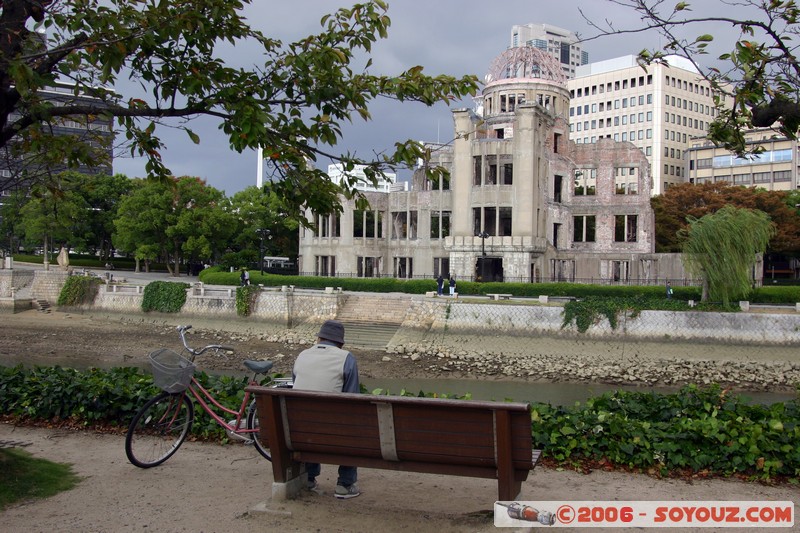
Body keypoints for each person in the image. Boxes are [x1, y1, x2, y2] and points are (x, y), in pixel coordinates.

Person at [292, 320, 361, 499]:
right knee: (351, 427)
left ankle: (308, 478)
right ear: (340, 342)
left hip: (299, 429)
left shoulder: (302, 355)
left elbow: (296, 385)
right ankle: (345, 485)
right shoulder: (347, 358)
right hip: (332, 431)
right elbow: (352, 398)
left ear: (319, 338)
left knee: (310, 417)